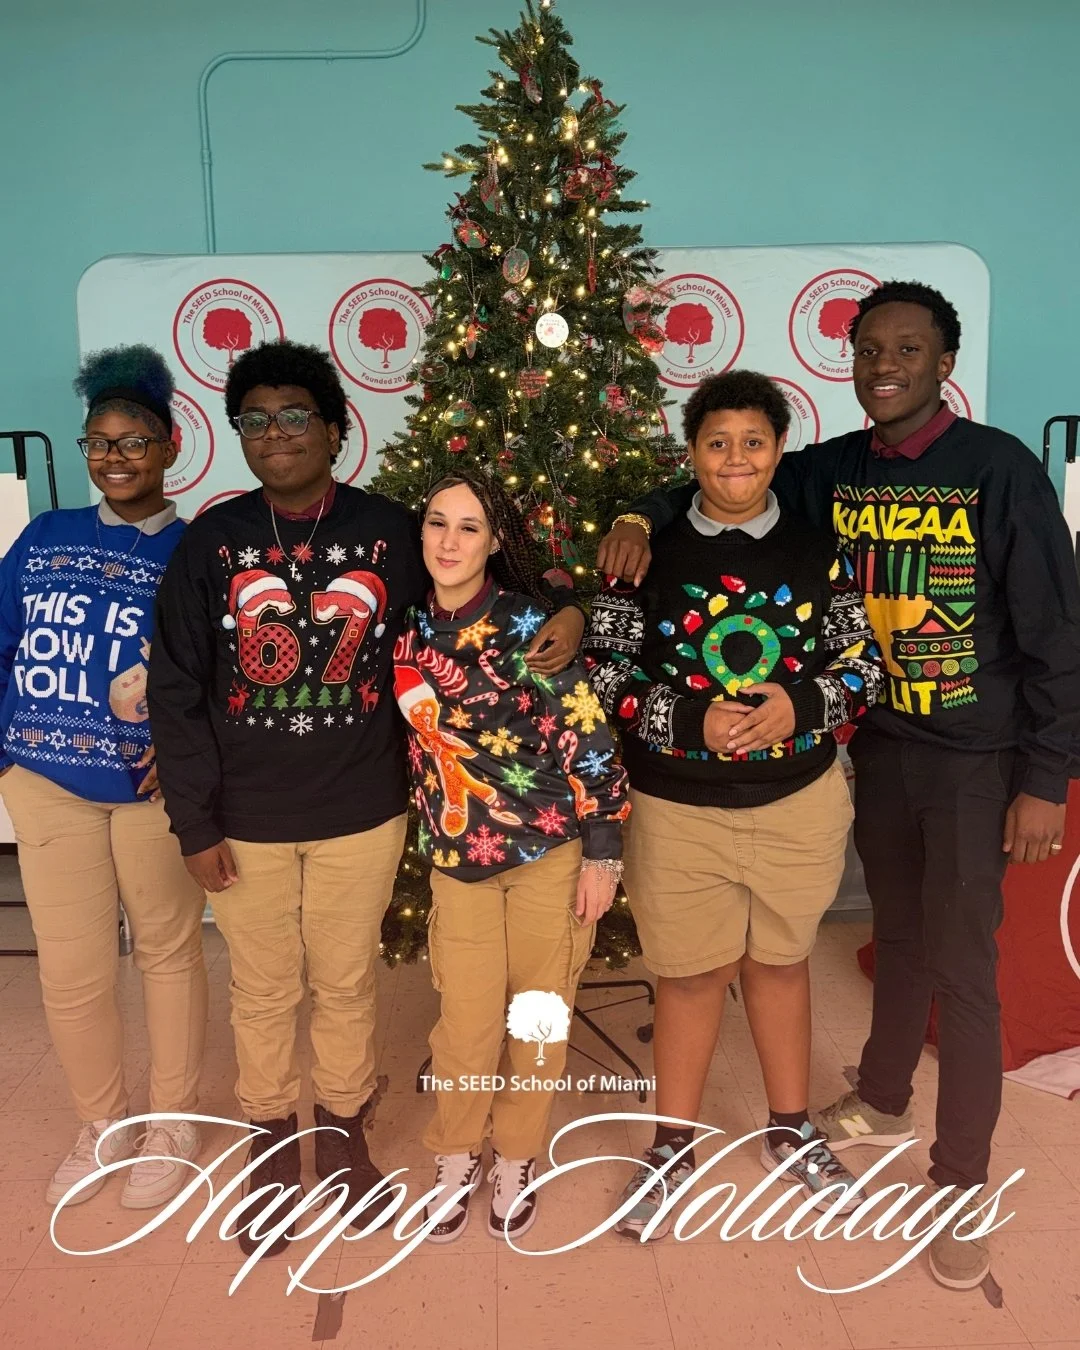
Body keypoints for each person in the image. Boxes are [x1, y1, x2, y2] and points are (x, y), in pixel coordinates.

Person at [597, 282, 1080, 1287]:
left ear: (945, 362)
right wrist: (635, 516)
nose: (885, 365)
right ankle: (881, 1097)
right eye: (869, 349)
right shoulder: (834, 470)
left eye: (908, 348)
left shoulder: (997, 469)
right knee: (895, 936)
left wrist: (1047, 774)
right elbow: (699, 488)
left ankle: (958, 1188)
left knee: (961, 965)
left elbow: (1053, 631)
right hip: (880, 752)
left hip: (972, 753)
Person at [147, 340, 585, 1256]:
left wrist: (571, 610)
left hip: (362, 810)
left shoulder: (392, 530)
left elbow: (491, 584)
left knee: (346, 981)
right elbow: (176, 688)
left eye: (294, 416)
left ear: (336, 429)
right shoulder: (211, 543)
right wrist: (193, 821)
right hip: (243, 819)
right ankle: (274, 1144)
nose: (275, 434)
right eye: (255, 420)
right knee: (263, 988)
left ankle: (344, 1134)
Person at [583, 370, 884, 1238]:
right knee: (688, 977)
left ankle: (790, 1132)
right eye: (717, 442)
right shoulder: (641, 554)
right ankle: (670, 1147)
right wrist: (688, 720)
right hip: (677, 809)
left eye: (754, 441)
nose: (736, 458)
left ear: (779, 449)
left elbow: (863, 665)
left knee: (782, 964)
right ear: (691, 453)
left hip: (798, 801)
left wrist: (805, 705)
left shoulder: (820, 550)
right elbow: (602, 672)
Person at [392, 471, 629, 1242]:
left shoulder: (532, 625)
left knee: (537, 1020)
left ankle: (516, 1156)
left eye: (469, 527)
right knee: (463, 1023)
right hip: (457, 859)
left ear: (495, 541)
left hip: (547, 855)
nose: (450, 541)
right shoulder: (405, 629)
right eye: (437, 523)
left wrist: (603, 856)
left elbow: (588, 738)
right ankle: (456, 1153)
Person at [0, 346, 208, 1212]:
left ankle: (173, 1121)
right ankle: (103, 1123)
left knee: (167, 953)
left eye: (133, 441)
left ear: (169, 447)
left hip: (150, 795)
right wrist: (7, 756)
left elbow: (216, 677)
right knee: (72, 970)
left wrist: (188, 760)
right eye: (98, 442)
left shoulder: (195, 552)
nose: (114, 458)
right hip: (46, 783)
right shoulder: (45, 536)